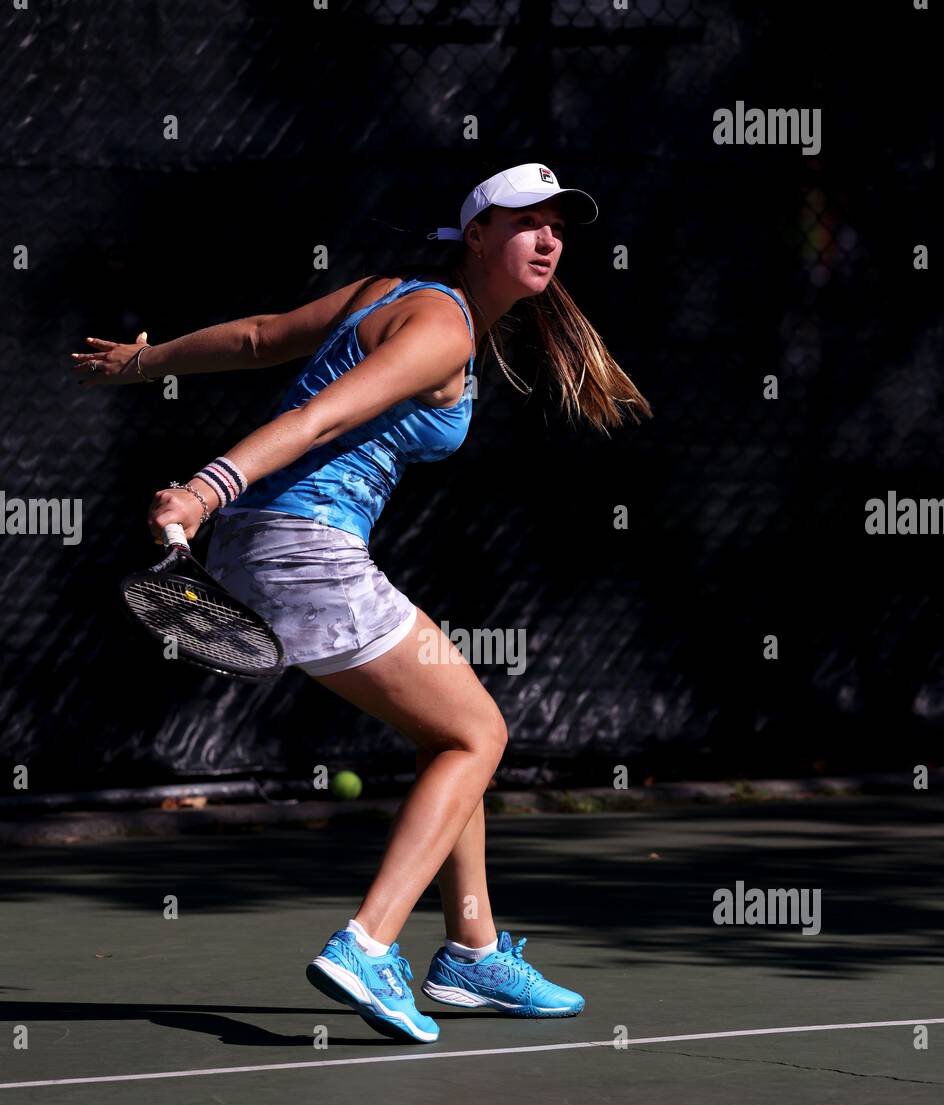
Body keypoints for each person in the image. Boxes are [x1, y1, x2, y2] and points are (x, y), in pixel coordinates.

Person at [70, 162, 652, 1045]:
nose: (546, 238)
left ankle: (472, 951)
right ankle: (369, 944)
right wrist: (203, 486)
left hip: (272, 544)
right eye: (525, 221)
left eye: (558, 227)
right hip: (303, 546)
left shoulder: (393, 294)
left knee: (450, 738)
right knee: (478, 735)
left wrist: (149, 360)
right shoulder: (444, 328)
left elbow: (262, 337)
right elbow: (322, 421)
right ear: (479, 235)